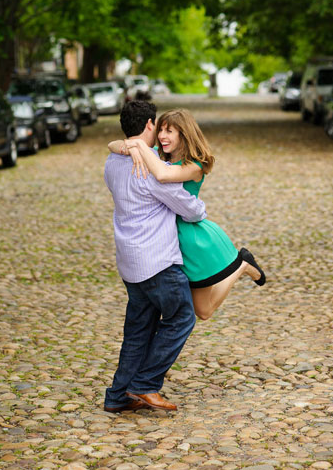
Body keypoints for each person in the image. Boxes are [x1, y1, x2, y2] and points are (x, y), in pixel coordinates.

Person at [109, 107, 266, 320]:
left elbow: (163, 175)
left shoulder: (194, 166)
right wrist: (129, 147)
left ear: (184, 134)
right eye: (161, 129)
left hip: (190, 238)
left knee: (202, 311)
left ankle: (242, 265)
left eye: (170, 131)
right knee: (182, 308)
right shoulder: (157, 153)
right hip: (164, 238)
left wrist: (136, 145)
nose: (162, 135)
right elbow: (111, 145)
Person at [103, 101, 208, 413]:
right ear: (149, 125)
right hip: (157, 261)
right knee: (182, 317)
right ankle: (145, 384)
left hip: (130, 262)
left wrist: (128, 147)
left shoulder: (112, 160)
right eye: (159, 127)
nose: (162, 133)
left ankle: (118, 395)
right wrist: (200, 209)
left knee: (139, 330)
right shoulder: (147, 169)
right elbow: (190, 208)